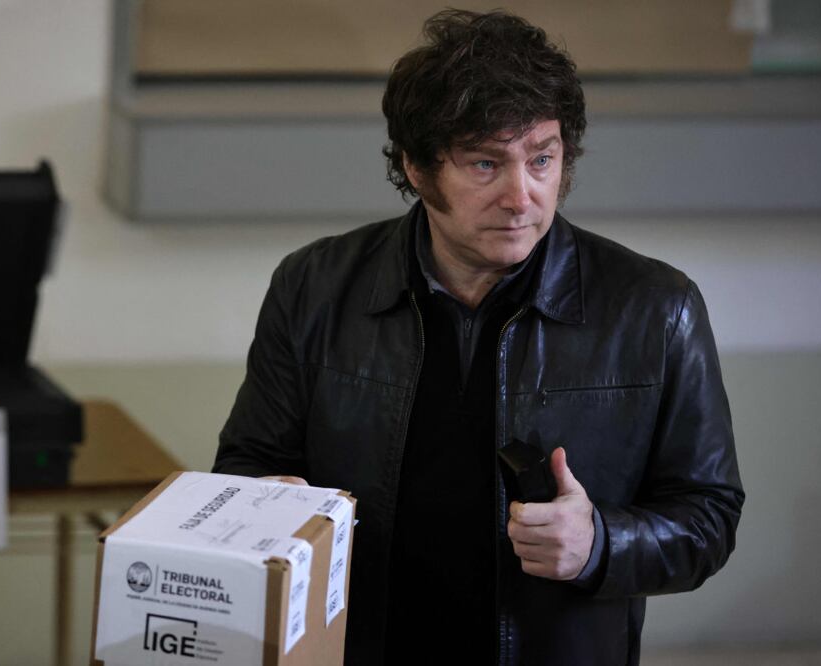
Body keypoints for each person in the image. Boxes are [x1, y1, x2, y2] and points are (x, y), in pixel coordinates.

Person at [213, 9, 743, 666]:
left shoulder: (654, 306)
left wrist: (600, 543)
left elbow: (708, 516)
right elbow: (243, 467)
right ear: (416, 167)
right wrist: (273, 508)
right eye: (485, 164)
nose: (522, 197)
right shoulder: (314, 285)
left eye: (541, 159)